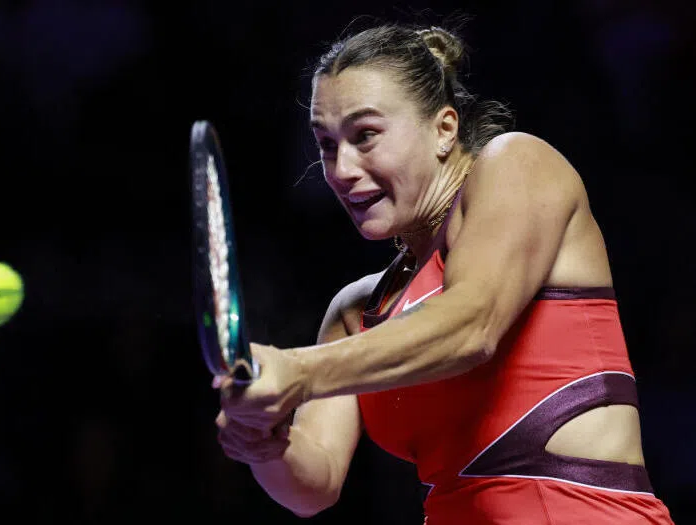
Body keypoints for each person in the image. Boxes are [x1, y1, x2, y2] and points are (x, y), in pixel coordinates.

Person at [213, 21, 675, 524]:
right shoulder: (356, 312)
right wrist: (262, 440)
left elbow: (470, 325)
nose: (341, 169)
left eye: (365, 136)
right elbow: (315, 484)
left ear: (444, 128)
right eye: (326, 144)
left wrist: (298, 372)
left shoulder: (517, 164)